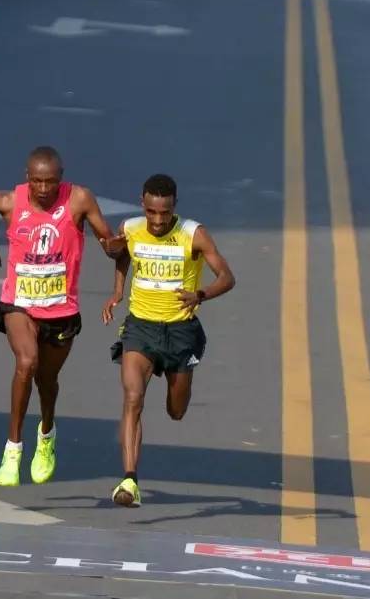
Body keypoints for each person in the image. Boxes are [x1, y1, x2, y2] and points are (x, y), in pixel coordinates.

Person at [0, 147, 123, 488]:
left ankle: (47, 434)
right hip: (19, 304)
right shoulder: (9, 202)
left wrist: (112, 246)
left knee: (47, 381)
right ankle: (12, 449)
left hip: (61, 309)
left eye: (51, 182)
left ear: (62, 178)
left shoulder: (79, 199)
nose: (44, 189)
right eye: (37, 182)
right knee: (26, 363)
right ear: (27, 177)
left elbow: (107, 239)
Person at [102, 174, 235, 508]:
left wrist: (200, 294)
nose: (157, 221)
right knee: (133, 398)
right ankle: (129, 480)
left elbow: (227, 277)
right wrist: (118, 291)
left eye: (164, 213)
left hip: (179, 332)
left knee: (176, 411)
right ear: (142, 205)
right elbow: (123, 255)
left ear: (174, 205)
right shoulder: (131, 227)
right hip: (140, 328)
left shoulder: (194, 234)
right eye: (151, 212)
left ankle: (177, 382)